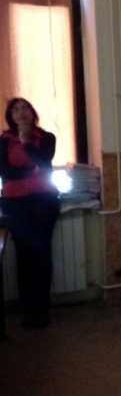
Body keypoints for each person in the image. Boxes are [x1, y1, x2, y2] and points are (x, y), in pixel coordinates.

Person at [0, 98, 60, 329]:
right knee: (24, 257)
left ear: (32, 112)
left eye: (24, 107)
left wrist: (26, 142)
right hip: (16, 205)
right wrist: (31, 167)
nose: (21, 112)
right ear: (10, 117)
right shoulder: (4, 140)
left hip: (44, 202)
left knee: (42, 256)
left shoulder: (47, 137)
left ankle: (42, 312)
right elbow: (6, 173)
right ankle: (28, 312)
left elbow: (44, 163)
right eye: (15, 110)